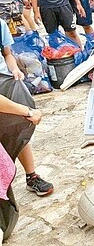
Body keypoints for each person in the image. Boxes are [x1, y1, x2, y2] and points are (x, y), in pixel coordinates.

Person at [1, 17, 53, 196]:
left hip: (4, 81)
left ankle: (31, 176)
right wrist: (28, 111)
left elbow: (7, 54)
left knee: (17, 129)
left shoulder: (0, 24)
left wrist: (14, 69)